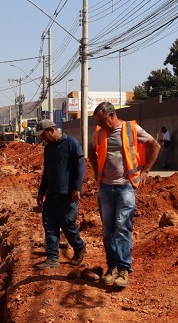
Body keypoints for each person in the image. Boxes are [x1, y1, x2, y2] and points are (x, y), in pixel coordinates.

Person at [88, 102, 160, 289]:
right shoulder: (99, 133)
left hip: (126, 187)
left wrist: (145, 172)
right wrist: (96, 170)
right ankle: (111, 267)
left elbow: (155, 145)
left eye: (102, 121)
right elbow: (90, 150)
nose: (100, 125)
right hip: (105, 187)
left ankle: (123, 269)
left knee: (122, 228)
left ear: (112, 116)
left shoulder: (131, 128)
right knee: (107, 231)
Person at [34, 119, 86, 269]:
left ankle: (79, 246)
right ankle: (52, 258)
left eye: (43, 135)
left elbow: (80, 167)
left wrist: (77, 188)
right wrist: (41, 192)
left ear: (51, 130)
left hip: (68, 194)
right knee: (49, 225)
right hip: (52, 195)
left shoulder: (71, 143)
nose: (42, 138)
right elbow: (47, 172)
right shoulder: (48, 149)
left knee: (68, 225)